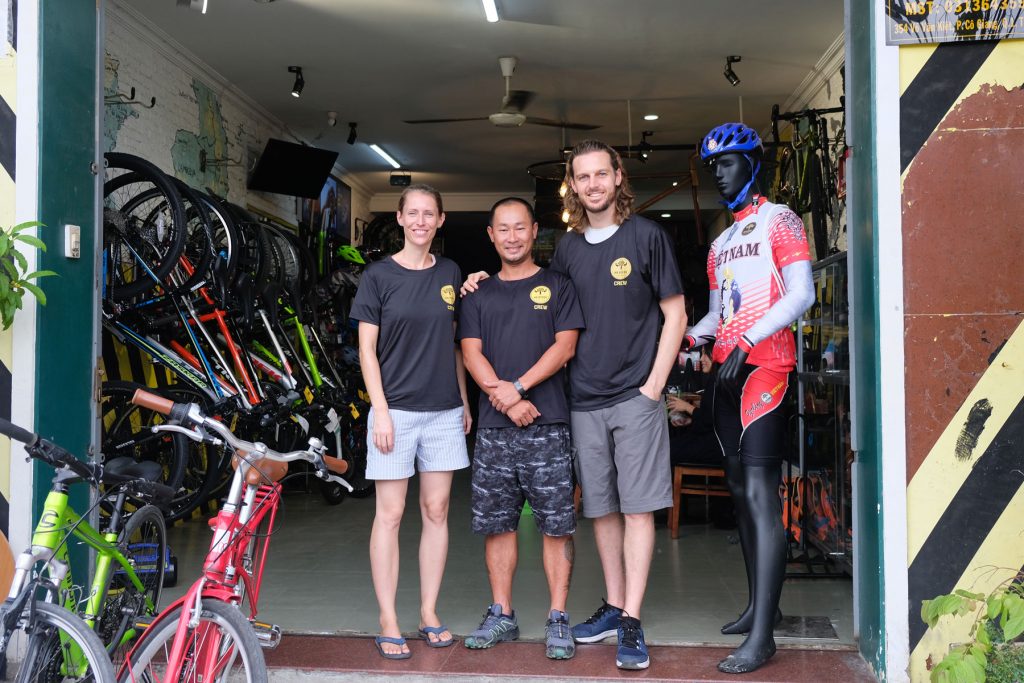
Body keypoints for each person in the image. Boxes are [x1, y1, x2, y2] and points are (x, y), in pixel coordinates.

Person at [464, 139, 687, 670]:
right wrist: (473, 278)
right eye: (581, 177)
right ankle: (613, 605)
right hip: (582, 400)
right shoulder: (566, 248)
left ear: (617, 177)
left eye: (600, 174)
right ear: (573, 186)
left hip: (635, 396)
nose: (592, 185)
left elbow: (675, 314)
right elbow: (528, 293)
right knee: (602, 510)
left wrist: (654, 387)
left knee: (637, 509)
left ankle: (631, 620)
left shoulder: (648, 236)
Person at [685, 123, 815, 674]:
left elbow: (802, 295)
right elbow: (720, 314)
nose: (719, 172)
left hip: (767, 367)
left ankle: (763, 639)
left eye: (729, 162)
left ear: (752, 165)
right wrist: (689, 337)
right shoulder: (719, 243)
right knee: (740, 493)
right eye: (712, 164)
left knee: (762, 496)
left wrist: (751, 338)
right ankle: (762, 609)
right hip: (727, 375)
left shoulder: (780, 219)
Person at [458, 197, 585, 660]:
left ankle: (557, 617)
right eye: (502, 229)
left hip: (547, 424)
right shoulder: (477, 294)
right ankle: (501, 613)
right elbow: (471, 353)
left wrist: (517, 387)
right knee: (498, 526)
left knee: (556, 526)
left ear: (534, 231)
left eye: (520, 228)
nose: (512, 236)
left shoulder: (559, 285)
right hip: (495, 429)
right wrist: (506, 400)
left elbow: (565, 346)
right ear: (491, 235)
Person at [350, 184, 472, 660]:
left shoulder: (450, 272)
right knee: (391, 514)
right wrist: (379, 410)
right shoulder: (378, 277)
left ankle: (428, 612)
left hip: (442, 410)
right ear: (399, 218)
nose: (420, 221)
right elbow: (366, 350)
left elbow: (455, 342)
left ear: (440, 221)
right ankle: (388, 618)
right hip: (394, 411)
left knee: (437, 511)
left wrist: (463, 400)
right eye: (412, 213)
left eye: (429, 214)